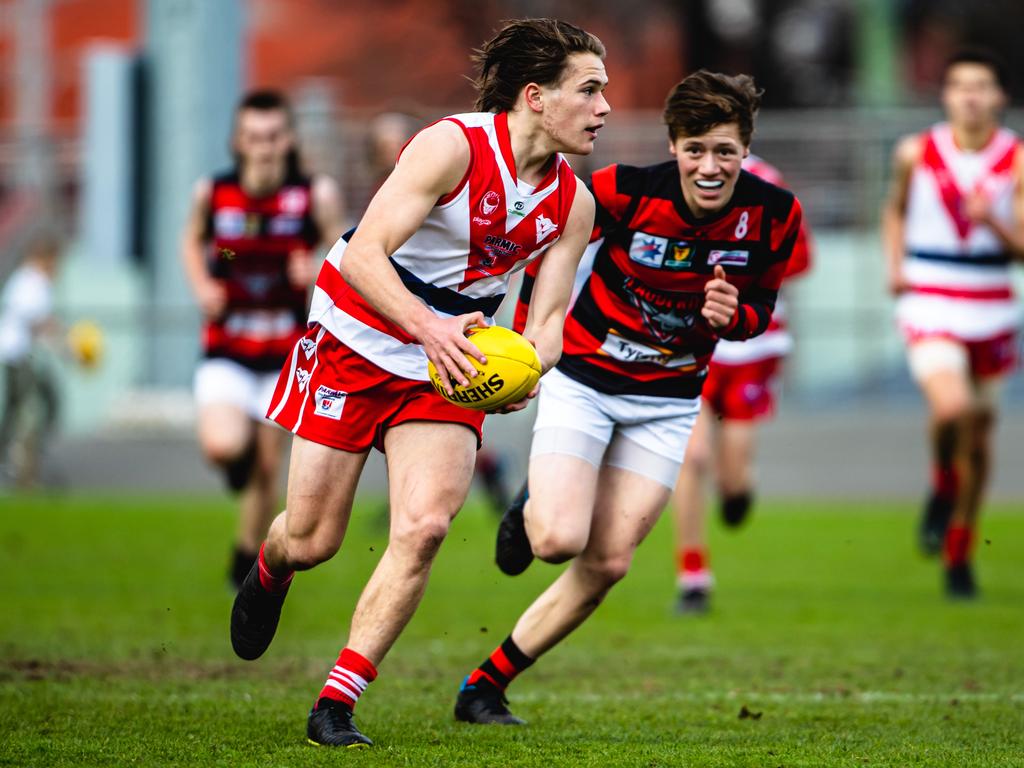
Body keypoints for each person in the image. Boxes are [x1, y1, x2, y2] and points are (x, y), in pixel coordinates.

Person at [229, 18, 609, 748]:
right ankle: (272, 568)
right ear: (536, 96)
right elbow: (365, 253)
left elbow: (551, 315)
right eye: (588, 90)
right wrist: (427, 326)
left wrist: (530, 366)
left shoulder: (574, 204)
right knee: (313, 539)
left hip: (449, 364)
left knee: (426, 525)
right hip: (356, 335)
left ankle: (336, 702)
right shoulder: (452, 147)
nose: (603, 108)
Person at [457, 70, 801, 726]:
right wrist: (529, 345)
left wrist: (737, 317)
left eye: (725, 151)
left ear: (746, 150)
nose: (709, 165)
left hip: (668, 403)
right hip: (585, 382)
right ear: (673, 145)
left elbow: (761, 306)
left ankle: (486, 685)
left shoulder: (774, 213)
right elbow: (550, 255)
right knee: (558, 538)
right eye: (695, 148)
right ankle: (533, 504)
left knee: (608, 561)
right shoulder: (622, 191)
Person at [181, 89, 346, 589]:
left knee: (271, 466)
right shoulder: (213, 192)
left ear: (289, 139)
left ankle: (243, 558)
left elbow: (350, 254)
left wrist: (314, 265)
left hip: (288, 351)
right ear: (238, 140)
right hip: (229, 346)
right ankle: (238, 457)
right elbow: (192, 240)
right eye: (254, 137)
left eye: (273, 136)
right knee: (222, 446)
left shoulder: (315, 194)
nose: (264, 146)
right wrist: (203, 284)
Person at [882, 49, 1023, 598]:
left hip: (992, 301)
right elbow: (893, 209)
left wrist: (997, 223)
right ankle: (943, 483)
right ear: (945, 95)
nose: (971, 96)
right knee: (952, 408)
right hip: (931, 296)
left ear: (999, 97)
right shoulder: (916, 152)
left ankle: (961, 547)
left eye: (982, 86)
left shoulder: (1014, 160)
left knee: (982, 440)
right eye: (960, 85)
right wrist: (894, 265)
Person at [672, 153, 813, 614]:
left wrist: (742, 268)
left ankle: (738, 490)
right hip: (689, 342)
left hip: (752, 345)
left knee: (731, 478)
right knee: (692, 458)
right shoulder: (671, 183)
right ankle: (693, 576)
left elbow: (801, 258)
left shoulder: (769, 184)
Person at [0, 232, 62, 488]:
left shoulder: (25, 280)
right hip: (18, 356)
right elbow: (36, 322)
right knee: (32, 411)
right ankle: (23, 470)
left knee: (19, 412)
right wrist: (69, 345)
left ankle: (17, 462)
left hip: (17, 355)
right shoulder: (32, 281)